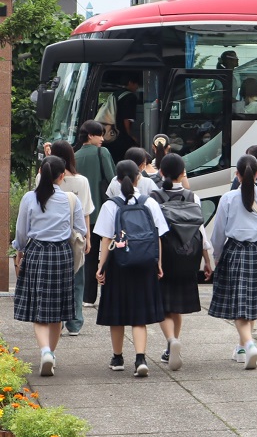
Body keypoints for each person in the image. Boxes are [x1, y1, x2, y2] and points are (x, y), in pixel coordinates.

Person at [12, 156, 87, 376]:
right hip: (61, 254)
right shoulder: (71, 199)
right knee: (58, 310)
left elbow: (21, 232)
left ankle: (45, 350)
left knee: (39, 308)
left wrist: (19, 252)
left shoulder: (29, 198)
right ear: (62, 176)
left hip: (36, 252)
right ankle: (50, 354)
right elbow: (81, 230)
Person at [94, 160, 168, 377]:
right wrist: (158, 263)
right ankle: (140, 358)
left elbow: (106, 239)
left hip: (118, 263)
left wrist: (101, 268)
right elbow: (158, 236)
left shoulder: (110, 205)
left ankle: (117, 358)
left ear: (117, 179)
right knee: (139, 315)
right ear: (138, 177)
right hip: (145, 263)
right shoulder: (149, 203)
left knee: (117, 312)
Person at [209, 154, 257, 369]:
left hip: (235, 251)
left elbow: (219, 232)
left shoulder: (228, 198)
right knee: (250, 300)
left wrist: (216, 255)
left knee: (239, 303)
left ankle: (249, 344)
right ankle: (242, 348)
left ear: (237, 175)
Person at [151, 153, 213, 371]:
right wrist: (207, 261)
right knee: (176, 305)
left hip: (164, 258)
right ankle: (172, 345)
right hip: (188, 257)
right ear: (183, 173)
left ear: (160, 172)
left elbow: (154, 232)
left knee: (163, 305)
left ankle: (171, 341)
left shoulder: (154, 197)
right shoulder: (192, 197)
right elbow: (201, 231)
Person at [45, 141, 94, 336]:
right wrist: (88, 238)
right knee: (76, 280)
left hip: (50, 235)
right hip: (74, 236)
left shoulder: (45, 177)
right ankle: (74, 322)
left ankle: (56, 321)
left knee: (54, 282)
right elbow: (85, 213)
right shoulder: (81, 181)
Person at [74, 120, 116, 308]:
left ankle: (87, 297)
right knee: (108, 253)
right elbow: (112, 177)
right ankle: (109, 292)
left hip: (83, 214)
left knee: (88, 255)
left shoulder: (74, 156)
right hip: (102, 211)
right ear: (90, 135)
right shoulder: (102, 153)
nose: (102, 139)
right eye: (100, 134)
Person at [104, 73, 140, 163]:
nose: (137, 87)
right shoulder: (130, 97)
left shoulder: (114, 94)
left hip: (111, 134)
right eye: (136, 84)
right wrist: (129, 136)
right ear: (130, 83)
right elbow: (127, 119)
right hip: (121, 137)